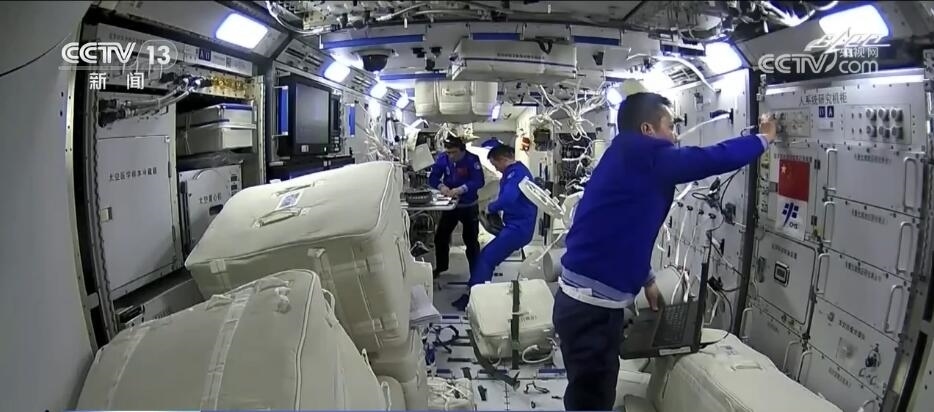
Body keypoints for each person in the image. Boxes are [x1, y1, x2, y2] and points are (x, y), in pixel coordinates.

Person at [552, 92, 777, 411]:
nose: (674, 136)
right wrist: (763, 139)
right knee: (591, 398)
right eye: (670, 127)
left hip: (587, 304)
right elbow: (710, 158)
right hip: (590, 310)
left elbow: (622, 228)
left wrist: (646, 280)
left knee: (595, 389)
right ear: (647, 129)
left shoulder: (622, 154)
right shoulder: (648, 155)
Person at [451, 144, 538, 311]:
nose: (495, 169)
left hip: (518, 229)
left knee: (486, 258)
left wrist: (490, 207)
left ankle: (475, 298)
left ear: (503, 160)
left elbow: (508, 199)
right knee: (487, 256)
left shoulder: (515, 173)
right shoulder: (518, 171)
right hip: (517, 225)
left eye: (494, 164)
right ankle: (474, 289)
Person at [429, 137, 485, 282]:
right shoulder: (443, 158)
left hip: (468, 206)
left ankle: (475, 275)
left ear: (462, 150)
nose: (451, 156)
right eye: (448, 152)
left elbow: (479, 181)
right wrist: (441, 186)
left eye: (454, 152)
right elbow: (433, 177)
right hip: (450, 206)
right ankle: (441, 267)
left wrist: (461, 189)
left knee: (471, 241)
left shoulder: (472, 160)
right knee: (440, 238)